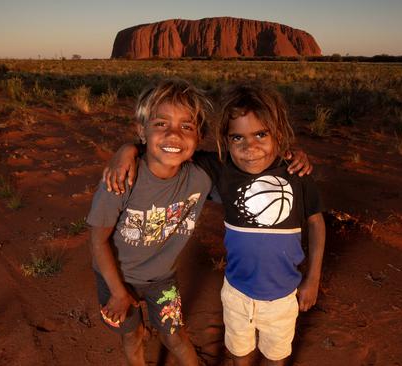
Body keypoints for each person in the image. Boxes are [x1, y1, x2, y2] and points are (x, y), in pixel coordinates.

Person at [89, 79, 312, 366]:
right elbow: (98, 239)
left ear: (199, 137)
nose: (173, 135)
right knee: (131, 336)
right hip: (116, 279)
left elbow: (252, 167)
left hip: (161, 280)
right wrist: (119, 293)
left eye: (187, 127)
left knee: (175, 336)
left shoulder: (201, 176)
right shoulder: (121, 179)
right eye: (160, 124)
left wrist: (290, 159)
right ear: (141, 130)